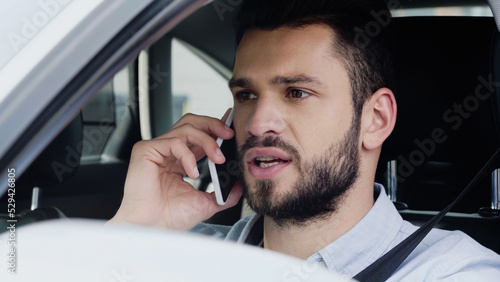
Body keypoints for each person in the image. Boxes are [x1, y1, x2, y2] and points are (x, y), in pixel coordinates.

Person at [109, 0, 500, 279]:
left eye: (296, 92)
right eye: (246, 95)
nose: (259, 123)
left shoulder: (452, 271)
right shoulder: (181, 254)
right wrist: (136, 227)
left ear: (375, 120)